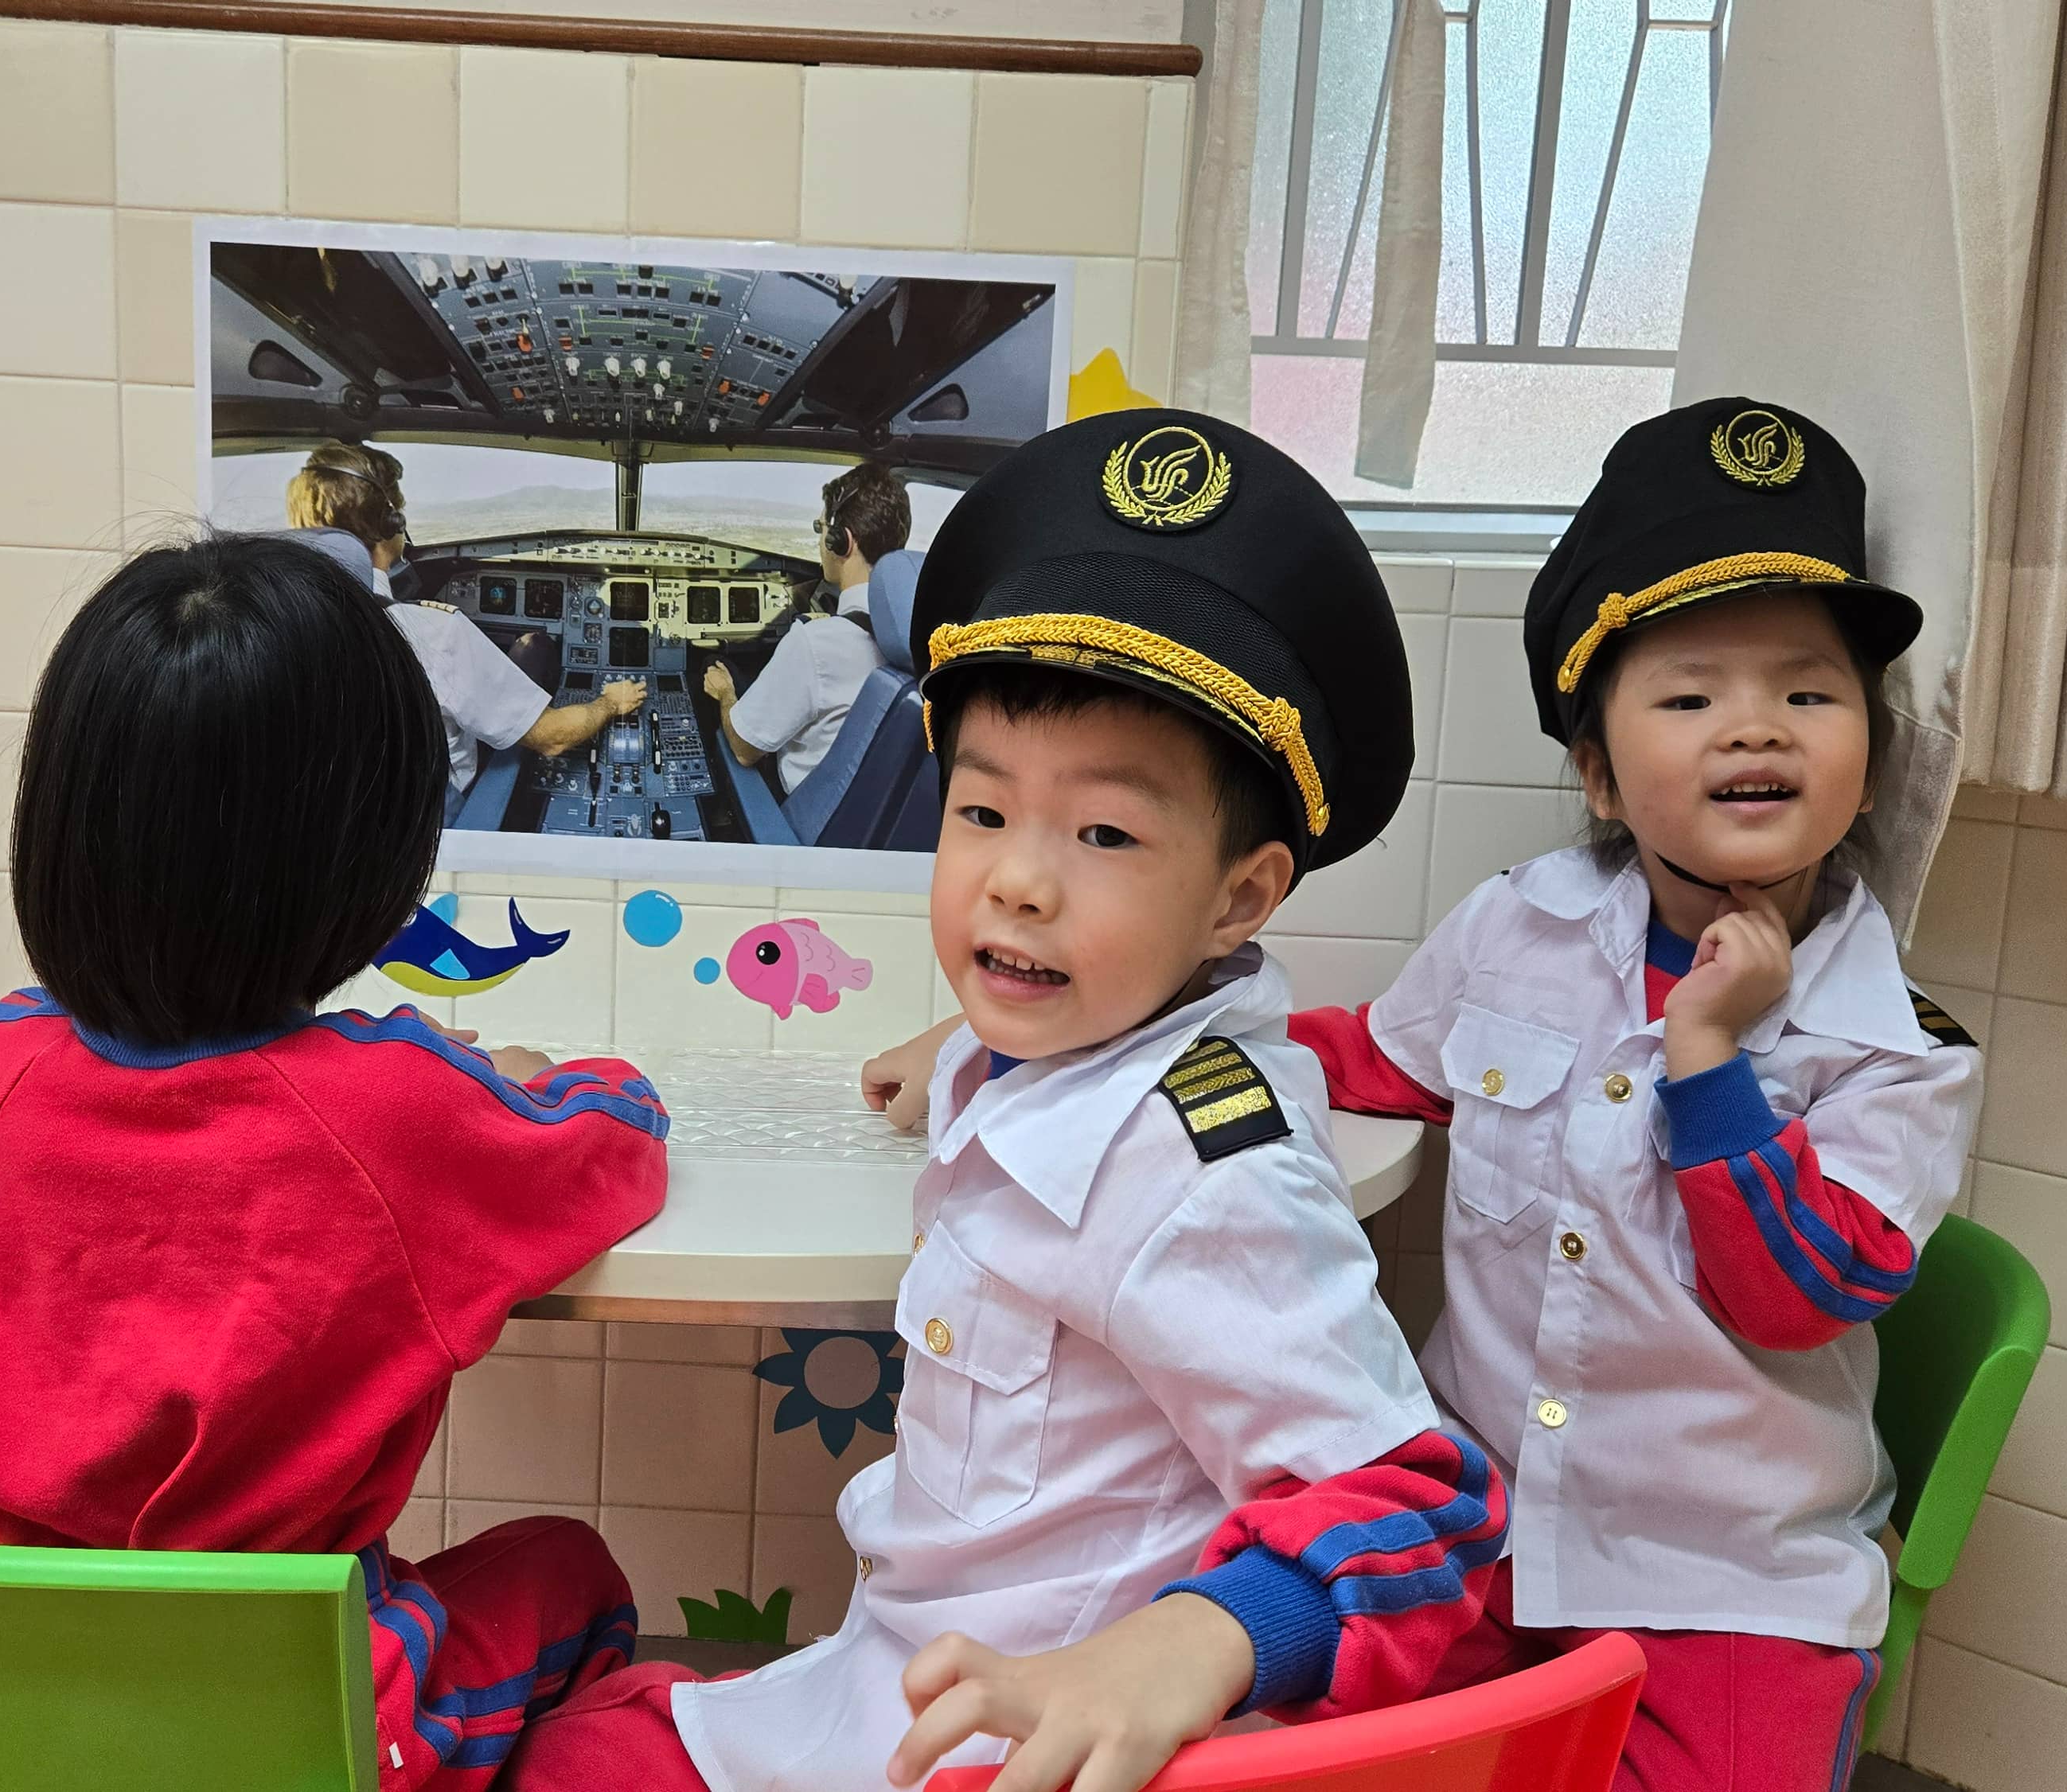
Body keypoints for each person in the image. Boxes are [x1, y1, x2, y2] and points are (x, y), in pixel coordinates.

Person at [505, 413, 1507, 1792]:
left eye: (1104, 833)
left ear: (1239, 897)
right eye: (981, 814)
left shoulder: (1202, 1175)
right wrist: (975, 1039)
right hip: (904, 1673)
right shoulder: (1093, 1048)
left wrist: (1194, 1642)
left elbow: (1428, 1515)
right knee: (595, 1722)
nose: (1018, 882)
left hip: (1017, 1738)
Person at [1275, 399, 1982, 1792]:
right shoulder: (1515, 929)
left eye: (1809, 693)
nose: (1754, 726)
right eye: (1690, 695)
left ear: (1869, 767)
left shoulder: (1899, 1047)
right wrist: (1090, 1034)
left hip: (1730, 1587)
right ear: (1598, 770)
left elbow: (1797, 1294)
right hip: (1481, 1542)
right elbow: (1366, 1059)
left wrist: (1708, 1059)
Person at [0, 534, 672, 1790]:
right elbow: (618, 1143)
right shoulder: (393, 1107)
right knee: (575, 1574)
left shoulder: (13, 1057)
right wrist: (510, 1077)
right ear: (362, 852)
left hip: (20, 1667)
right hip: (300, 1698)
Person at [287, 446, 645, 797]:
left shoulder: (278, 622)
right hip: (435, 808)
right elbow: (552, 737)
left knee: (531, 651)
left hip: (332, 803)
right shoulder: (431, 633)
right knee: (536, 649)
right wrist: (610, 703)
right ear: (389, 522)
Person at [697, 461, 910, 793]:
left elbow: (743, 750)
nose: (820, 539)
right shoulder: (922, 635)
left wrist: (726, 695)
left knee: (713, 665)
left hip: (795, 809)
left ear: (842, 541)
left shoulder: (817, 643)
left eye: (820, 528)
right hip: (864, 802)